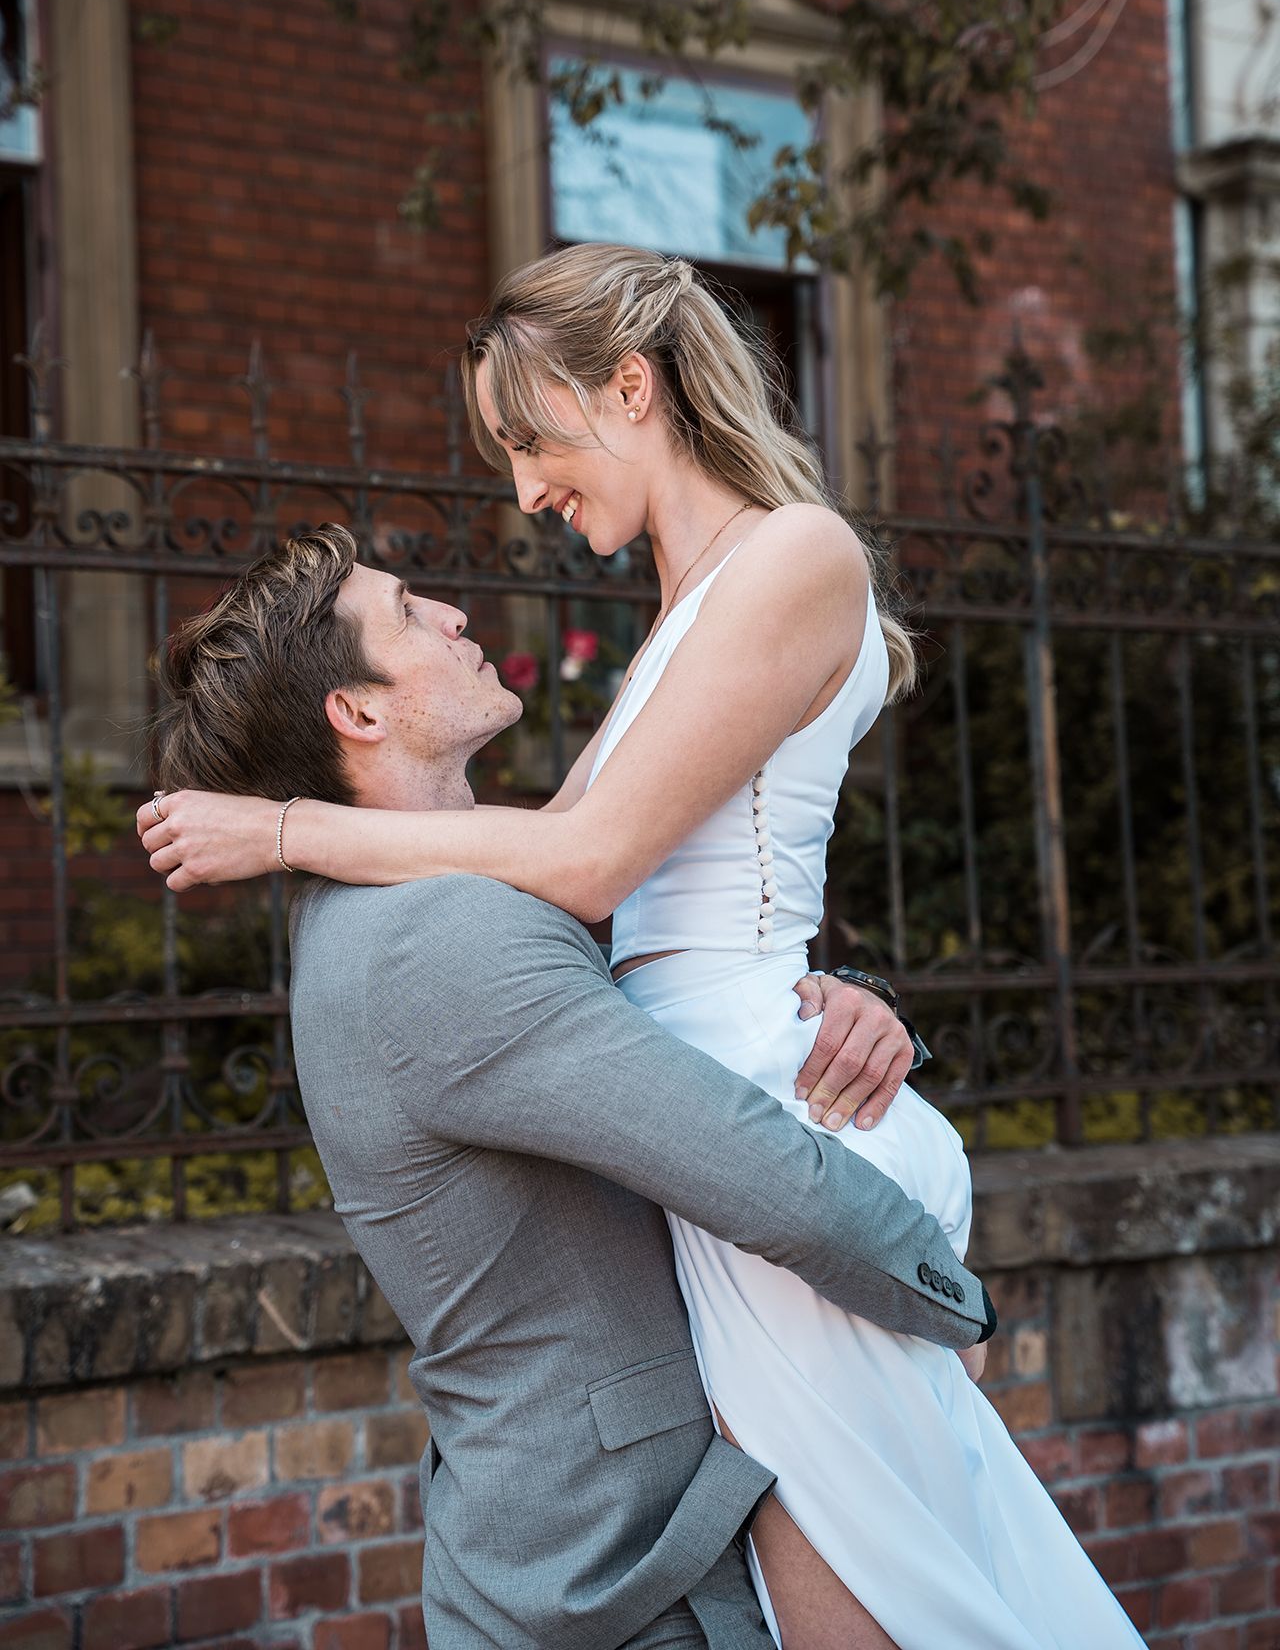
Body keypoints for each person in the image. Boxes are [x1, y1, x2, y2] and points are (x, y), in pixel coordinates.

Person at [140, 243, 1144, 1650]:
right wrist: (294, 826)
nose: (523, 494)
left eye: (528, 443)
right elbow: (584, 857)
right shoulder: (673, 627)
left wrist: (290, 826)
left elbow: (596, 867)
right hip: (750, 1118)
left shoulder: (794, 552)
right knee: (921, 1570)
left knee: (899, 1573)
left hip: (775, 1110)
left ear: (631, 389)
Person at [143, 522, 995, 1650]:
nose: (453, 615)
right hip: (617, 1577)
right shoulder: (435, 939)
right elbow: (762, 1177)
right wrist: (955, 1307)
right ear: (358, 712)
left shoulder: (417, 906)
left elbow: (647, 1018)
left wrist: (837, 997)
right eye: (407, 612)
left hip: (614, 1548)